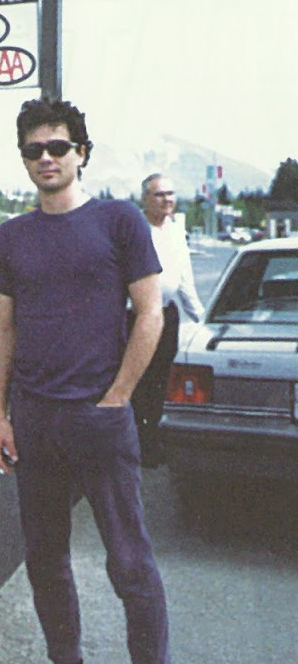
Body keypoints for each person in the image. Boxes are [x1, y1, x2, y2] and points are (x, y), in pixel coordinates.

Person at [0, 98, 174, 664]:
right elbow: (4, 326)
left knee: (129, 559)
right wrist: (1, 415)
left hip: (100, 417)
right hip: (34, 419)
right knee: (44, 556)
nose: (46, 158)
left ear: (81, 153)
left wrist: (118, 396)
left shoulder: (119, 221)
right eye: (34, 150)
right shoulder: (12, 236)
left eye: (58, 147)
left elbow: (149, 313)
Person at [133, 173, 204, 467]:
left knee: (160, 380)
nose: (167, 200)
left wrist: (201, 318)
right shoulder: (135, 230)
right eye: (159, 194)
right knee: (138, 381)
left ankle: (150, 440)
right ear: (145, 199)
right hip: (136, 317)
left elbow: (184, 279)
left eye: (170, 194)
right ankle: (135, 444)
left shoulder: (175, 232)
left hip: (166, 314)